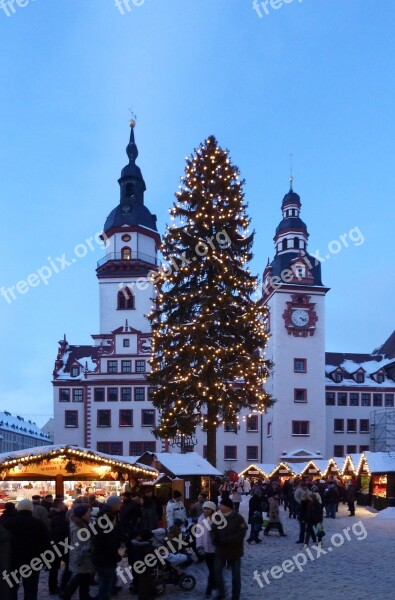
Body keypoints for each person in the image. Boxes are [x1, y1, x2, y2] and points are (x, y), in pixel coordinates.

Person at [3, 499, 50, 600]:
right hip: (33, 560)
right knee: (31, 588)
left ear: (18, 508)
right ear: (31, 509)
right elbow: (45, 542)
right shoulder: (38, 524)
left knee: (12, 588)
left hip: (13, 560)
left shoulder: (8, 523)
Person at [210, 497, 247, 600]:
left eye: (221, 505)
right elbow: (212, 530)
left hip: (235, 551)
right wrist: (215, 539)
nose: (219, 506)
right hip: (220, 550)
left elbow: (242, 533)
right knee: (217, 571)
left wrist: (225, 540)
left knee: (235, 575)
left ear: (227, 507)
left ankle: (235, 596)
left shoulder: (238, 518)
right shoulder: (218, 517)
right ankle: (221, 593)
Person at [60, 504, 94, 600]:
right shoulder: (78, 528)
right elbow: (77, 545)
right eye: (88, 512)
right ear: (82, 514)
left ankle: (84, 595)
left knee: (84, 576)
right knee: (80, 576)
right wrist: (78, 558)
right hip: (82, 556)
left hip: (84, 555)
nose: (90, 514)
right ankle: (66, 594)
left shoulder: (82, 523)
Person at [92, 506, 122, 600]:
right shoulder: (108, 534)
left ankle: (105, 594)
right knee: (105, 583)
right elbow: (111, 549)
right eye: (114, 521)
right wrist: (117, 557)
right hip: (106, 562)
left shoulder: (97, 528)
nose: (115, 523)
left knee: (110, 580)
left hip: (98, 560)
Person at [48, 498, 70, 595]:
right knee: (68, 565)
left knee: (53, 568)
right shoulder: (59, 517)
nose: (64, 506)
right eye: (63, 504)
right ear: (59, 505)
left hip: (53, 545)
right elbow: (61, 532)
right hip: (61, 544)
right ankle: (62, 585)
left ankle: (53, 587)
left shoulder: (50, 515)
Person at [197, 501, 217, 599]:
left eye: (208, 508)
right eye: (205, 508)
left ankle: (209, 590)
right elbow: (199, 534)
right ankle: (214, 585)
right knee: (211, 570)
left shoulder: (217, 519)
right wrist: (199, 546)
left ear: (212, 509)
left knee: (213, 570)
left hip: (216, 549)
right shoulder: (200, 519)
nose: (206, 510)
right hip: (206, 549)